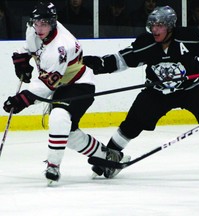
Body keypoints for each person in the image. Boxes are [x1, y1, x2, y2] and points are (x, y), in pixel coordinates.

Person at [83, 6, 199, 178]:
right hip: (157, 92)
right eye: (152, 25)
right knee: (132, 123)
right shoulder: (146, 43)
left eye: (160, 25)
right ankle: (110, 156)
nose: (155, 30)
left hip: (191, 89)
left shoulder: (189, 37)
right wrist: (100, 64)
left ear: (170, 26)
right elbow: (121, 60)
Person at [2, 1, 129, 184]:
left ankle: (53, 166)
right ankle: (108, 157)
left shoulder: (61, 46)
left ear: (53, 22)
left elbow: (46, 86)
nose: (39, 28)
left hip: (79, 84)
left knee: (59, 117)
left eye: (44, 23)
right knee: (67, 135)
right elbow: (29, 47)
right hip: (61, 85)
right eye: (36, 23)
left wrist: (21, 100)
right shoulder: (34, 28)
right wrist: (21, 61)